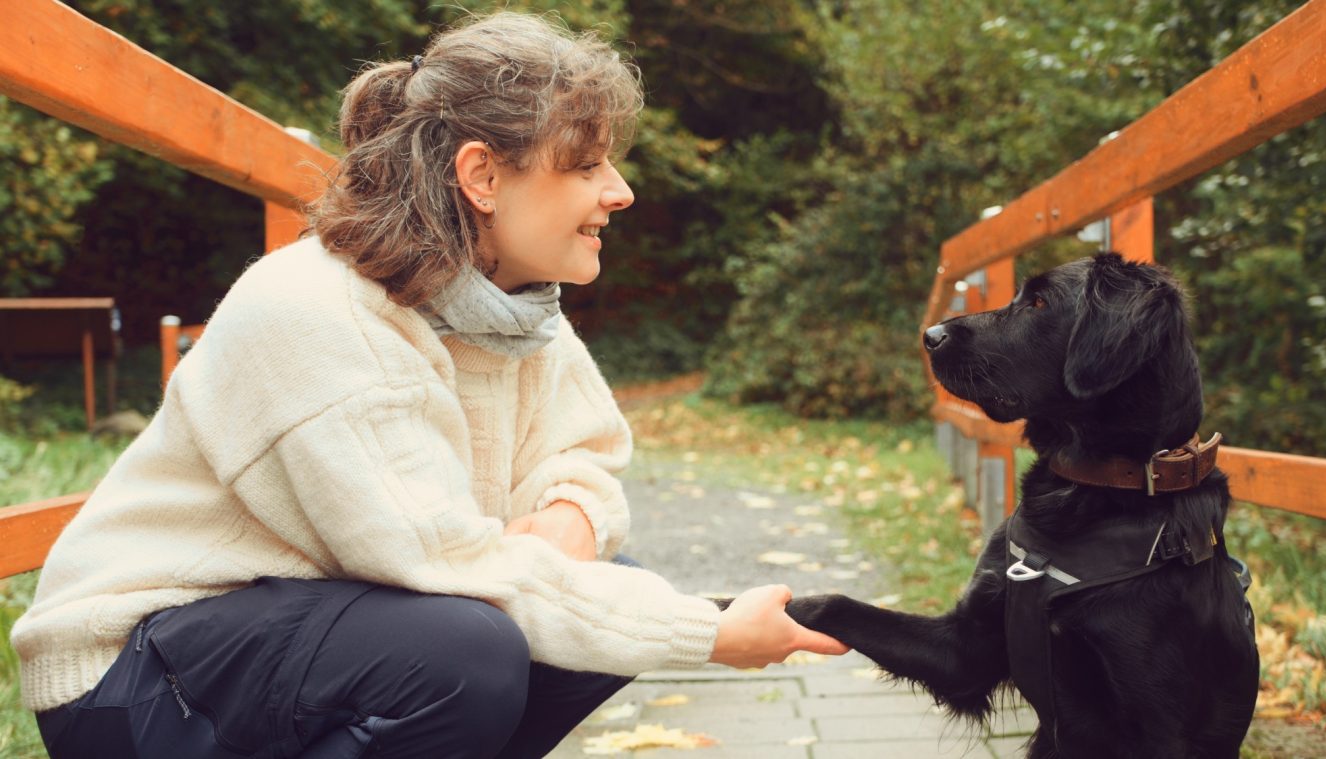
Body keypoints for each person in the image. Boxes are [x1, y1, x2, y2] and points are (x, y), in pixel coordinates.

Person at [10, 11, 847, 759]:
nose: (618, 192)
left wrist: (570, 516)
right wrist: (708, 632)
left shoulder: (509, 310)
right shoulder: (321, 310)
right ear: (482, 177)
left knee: (591, 592)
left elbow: (586, 451)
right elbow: (442, 563)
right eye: (586, 164)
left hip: (303, 635)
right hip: (133, 678)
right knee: (469, 651)